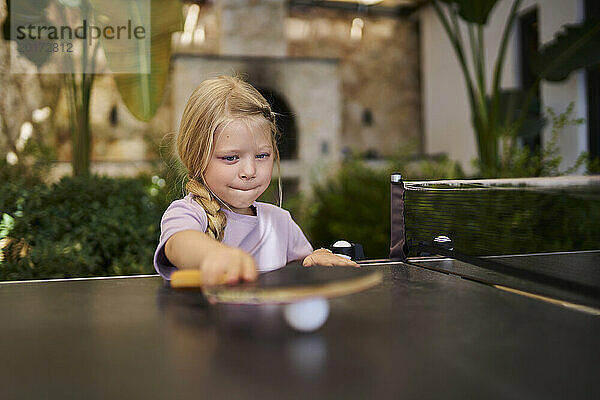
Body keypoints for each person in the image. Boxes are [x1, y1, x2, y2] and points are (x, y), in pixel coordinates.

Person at [153, 75, 357, 284]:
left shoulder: (281, 222)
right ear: (197, 157)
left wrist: (314, 259)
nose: (249, 171)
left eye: (261, 156)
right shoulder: (188, 213)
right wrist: (215, 255)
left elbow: (301, 269)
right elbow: (178, 244)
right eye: (231, 158)